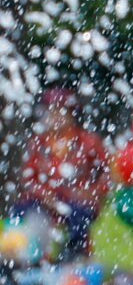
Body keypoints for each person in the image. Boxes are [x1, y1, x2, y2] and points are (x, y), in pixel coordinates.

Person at [14, 87, 109, 261]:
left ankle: (74, 258)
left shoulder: (88, 141)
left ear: (71, 114)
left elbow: (106, 174)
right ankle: (28, 261)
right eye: (51, 111)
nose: (55, 116)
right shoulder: (37, 143)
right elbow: (28, 178)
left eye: (61, 111)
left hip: (77, 203)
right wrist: (44, 194)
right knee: (21, 215)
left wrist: (89, 193)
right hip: (45, 203)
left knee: (79, 220)